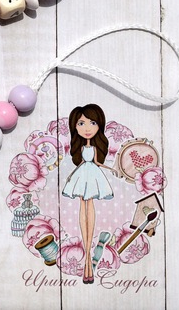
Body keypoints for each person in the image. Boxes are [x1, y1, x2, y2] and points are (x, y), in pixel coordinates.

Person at [62, 104, 115, 284]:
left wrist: (111, 168)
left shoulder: (95, 148)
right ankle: (87, 258)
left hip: (93, 174)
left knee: (89, 205)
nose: (87, 128)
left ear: (99, 126)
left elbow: (98, 162)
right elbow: (79, 163)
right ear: (75, 127)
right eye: (81, 123)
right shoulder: (80, 148)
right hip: (81, 174)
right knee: (82, 207)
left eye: (92, 123)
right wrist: (71, 175)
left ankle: (88, 259)